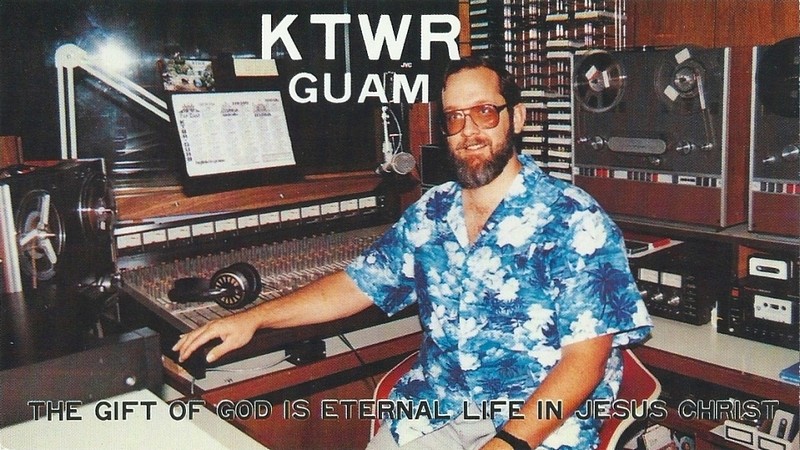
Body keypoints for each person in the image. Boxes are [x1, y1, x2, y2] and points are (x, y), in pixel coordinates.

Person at [174, 56, 653, 450]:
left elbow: (584, 362)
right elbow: (356, 285)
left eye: (485, 112)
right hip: (440, 407)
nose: (469, 130)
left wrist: (507, 444)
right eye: (454, 118)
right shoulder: (432, 212)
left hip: (538, 421)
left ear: (518, 118)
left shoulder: (574, 219)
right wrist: (255, 318)